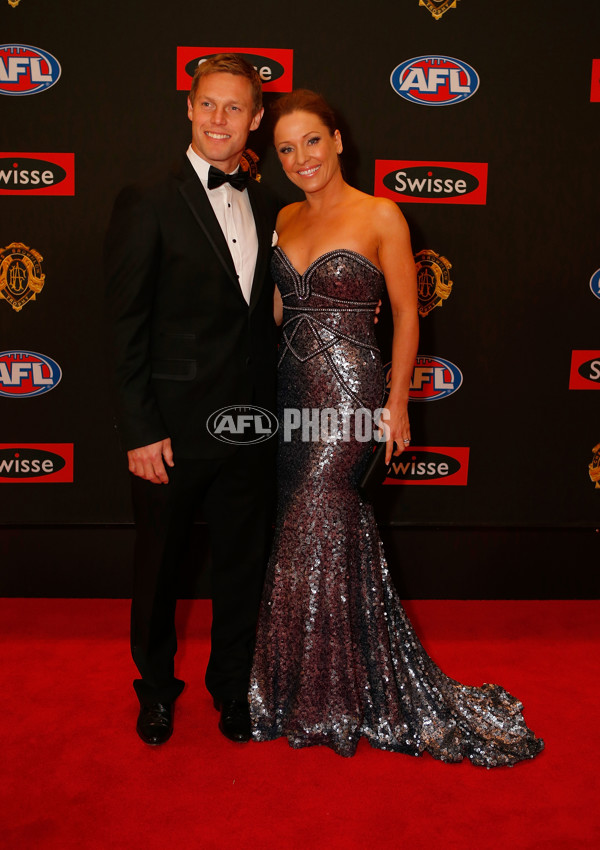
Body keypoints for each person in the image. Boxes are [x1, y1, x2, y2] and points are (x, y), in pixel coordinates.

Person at [249, 90, 544, 765]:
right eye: (287, 149)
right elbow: (271, 312)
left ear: (338, 140)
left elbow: (409, 315)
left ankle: (335, 696)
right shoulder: (284, 216)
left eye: (312, 142)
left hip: (354, 392)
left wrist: (399, 402)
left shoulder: (380, 212)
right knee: (300, 524)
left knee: (322, 512)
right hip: (293, 394)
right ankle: (304, 686)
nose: (301, 159)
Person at [104, 55, 280, 746]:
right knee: (160, 568)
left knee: (243, 566)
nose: (218, 119)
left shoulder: (273, 205)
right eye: (208, 104)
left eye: (234, 108)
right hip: (171, 433)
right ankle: (154, 691)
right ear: (189, 107)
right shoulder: (146, 199)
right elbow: (123, 327)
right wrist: (140, 430)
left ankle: (232, 689)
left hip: (251, 428)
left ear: (256, 118)